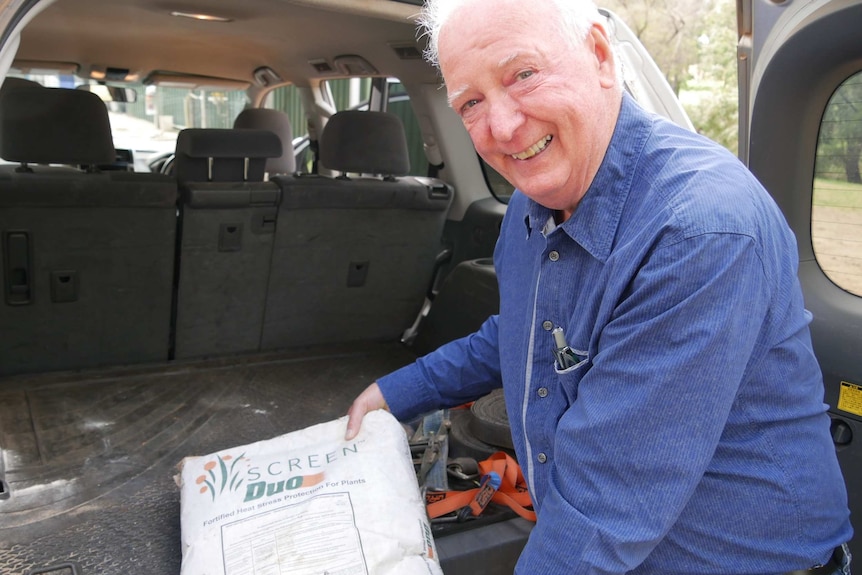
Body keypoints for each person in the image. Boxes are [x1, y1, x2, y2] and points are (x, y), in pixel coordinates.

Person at [345, 0, 854, 572]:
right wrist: (399, 391)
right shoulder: (531, 206)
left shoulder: (700, 228)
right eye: (471, 102)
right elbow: (521, 333)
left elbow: (606, 501)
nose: (503, 126)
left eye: (524, 75)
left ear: (600, 55)